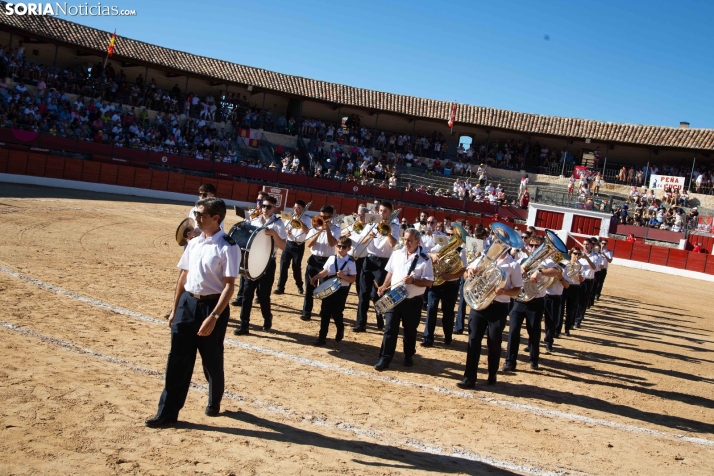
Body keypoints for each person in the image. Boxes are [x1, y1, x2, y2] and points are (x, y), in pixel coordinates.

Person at [145, 197, 240, 427]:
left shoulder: (228, 246)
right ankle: (167, 413)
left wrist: (214, 316)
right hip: (188, 304)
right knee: (177, 360)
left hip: (211, 306)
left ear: (215, 218)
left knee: (212, 360)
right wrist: (174, 309)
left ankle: (214, 400)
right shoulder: (194, 242)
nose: (195, 218)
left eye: (200, 215)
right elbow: (183, 277)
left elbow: (229, 285)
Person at [457, 241, 523, 388]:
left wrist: (505, 291)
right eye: (497, 241)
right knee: (473, 340)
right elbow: (465, 274)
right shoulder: (483, 258)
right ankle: (469, 377)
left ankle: (492, 373)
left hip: (498, 307)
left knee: (494, 342)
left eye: (502, 243)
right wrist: (470, 273)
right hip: (479, 304)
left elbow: (518, 290)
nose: (498, 245)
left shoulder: (514, 265)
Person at [374, 228, 433, 370]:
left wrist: (413, 281)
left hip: (412, 301)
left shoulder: (425, 258)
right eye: (405, 239)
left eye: (409, 240)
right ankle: (385, 358)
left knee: (410, 331)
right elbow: (391, 272)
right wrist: (383, 285)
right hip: (394, 297)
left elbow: (429, 282)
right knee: (390, 329)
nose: (406, 242)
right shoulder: (397, 253)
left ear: (418, 241)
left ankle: (408, 356)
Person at [502, 236, 562, 371]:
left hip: (536, 302)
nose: (534, 248)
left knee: (534, 332)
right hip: (519, 300)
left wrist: (540, 271)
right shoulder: (522, 259)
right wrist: (519, 270)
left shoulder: (547, 261)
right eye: (532, 245)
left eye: (537, 246)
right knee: (513, 331)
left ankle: (534, 359)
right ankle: (510, 361)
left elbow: (557, 272)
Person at [233, 195, 287, 335]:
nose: (265, 209)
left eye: (268, 207)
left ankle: (267, 318)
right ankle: (244, 324)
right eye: (263, 206)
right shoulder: (254, 220)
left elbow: (283, 246)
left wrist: (275, 234)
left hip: (268, 263)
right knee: (247, 294)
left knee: (263, 296)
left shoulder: (278, 224)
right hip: (251, 260)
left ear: (274, 208)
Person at [353, 201, 399, 332]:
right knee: (364, 293)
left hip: (383, 263)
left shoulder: (394, 225)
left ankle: (380, 316)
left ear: (390, 213)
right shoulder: (372, 222)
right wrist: (369, 236)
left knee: (377, 294)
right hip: (369, 260)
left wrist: (386, 230)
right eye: (380, 211)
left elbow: (392, 244)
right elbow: (362, 241)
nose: (382, 214)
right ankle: (361, 323)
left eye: (385, 211)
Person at [421, 229, 467, 347]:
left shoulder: (461, 251)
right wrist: (433, 255)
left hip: (450, 285)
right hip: (436, 283)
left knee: (448, 313)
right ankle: (428, 338)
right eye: (449, 235)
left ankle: (448, 336)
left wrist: (450, 276)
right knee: (431, 309)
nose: (451, 237)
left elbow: (463, 270)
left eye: (453, 235)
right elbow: (426, 253)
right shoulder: (440, 246)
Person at [309, 236, 358, 345]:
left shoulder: (351, 262)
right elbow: (325, 271)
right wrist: (316, 276)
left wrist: (343, 276)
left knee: (337, 313)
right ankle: (322, 338)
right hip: (329, 287)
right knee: (325, 313)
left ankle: (340, 328)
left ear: (348, 249)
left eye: (343, 247)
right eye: (339, 246)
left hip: (341, 289)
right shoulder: (331, 258)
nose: (340, 249)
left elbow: (353, 279)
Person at [231, 190, 270, 307]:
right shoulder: (253, 212)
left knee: (259, 273)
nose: (258, 203)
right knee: (244, 273)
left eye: (261, 201)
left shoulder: (264, 215)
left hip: (260, 248)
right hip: (249, 245)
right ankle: (240, 297)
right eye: (257, 200)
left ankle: (258, 296)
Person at [302, 205, 341, 321]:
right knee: (309, 288)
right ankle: (306, 311)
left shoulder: (336, 228)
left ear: (331, 216)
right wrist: (319, 231)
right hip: (314, 260)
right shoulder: (314, 227)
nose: (323, 219)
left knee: (325, 289)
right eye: (321, 216)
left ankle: (324, 312)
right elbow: (309, 244)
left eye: (325, 217)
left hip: (327, 262)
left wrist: (327, 229)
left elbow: (332, 243)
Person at [275, 200, 310, 295]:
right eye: (295, 208)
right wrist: (286, 231)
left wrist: (300, 220)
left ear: (303, 209)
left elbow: (307, 231)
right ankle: (280, 287)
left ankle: (299, 286)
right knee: (283, 266)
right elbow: (284, 228)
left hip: (299, 245)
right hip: (288, 244)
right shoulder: (290, 217)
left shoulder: (307, 219)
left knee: (296, 267)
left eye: (298, 208)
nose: (296, 210)